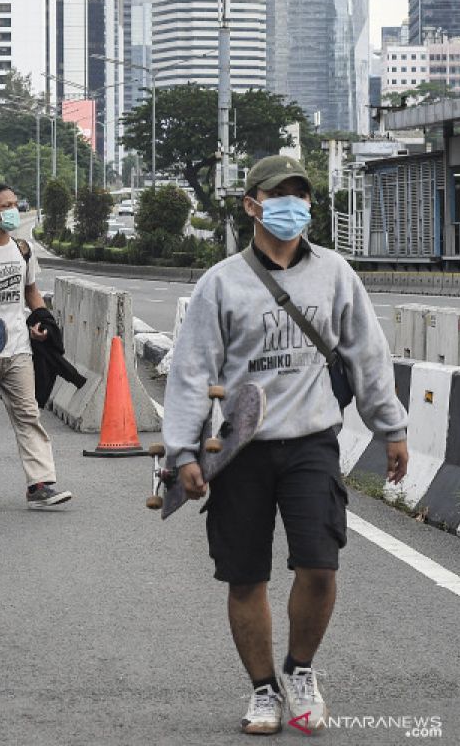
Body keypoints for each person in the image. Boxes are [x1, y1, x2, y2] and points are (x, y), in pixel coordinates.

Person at [162, 155, 409, 735]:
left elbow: (367, 354)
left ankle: (300, 671)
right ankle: (263, 689)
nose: (290, 205)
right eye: (279, 195)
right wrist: (183, 452)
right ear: (252, 204)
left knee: (320, 568)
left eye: (300, 195)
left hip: (311, 443)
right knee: (245, 576)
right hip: (240, 450)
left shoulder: (335, 274)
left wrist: (390, 427)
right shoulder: (219, 282)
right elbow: (192, 373)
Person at [0, 183, 73, 510]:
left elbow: (32, 292)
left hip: (19, 347)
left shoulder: (23, 249)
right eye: (6, 205)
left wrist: (42, 321)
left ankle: (40, 483)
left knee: (28, 415)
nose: (13, 210)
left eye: (16, 204)